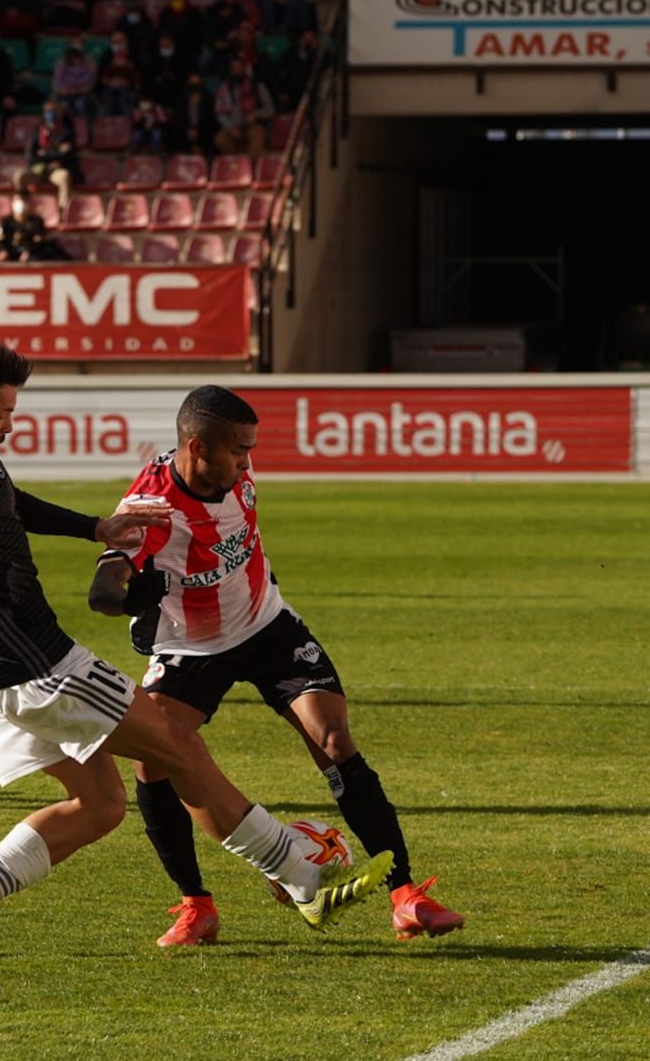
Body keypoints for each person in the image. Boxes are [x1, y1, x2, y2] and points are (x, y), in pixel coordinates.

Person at [0, 341, 392, 961]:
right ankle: (305, 877)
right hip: (40, 668)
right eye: (2, 413)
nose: (10, 424)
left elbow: (6, 501)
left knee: (100, 806)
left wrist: (94, 527)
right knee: (179, 747)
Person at [88, 385, 467, 945]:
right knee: (154, 764)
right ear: (197, 447)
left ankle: (405, 895)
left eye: (250, 449)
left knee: (335, 741)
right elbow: (101, 590)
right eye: (238, 449)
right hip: (190, 650)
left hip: (268, 628)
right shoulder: (148, 509)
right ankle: (197, 907)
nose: (248, 462)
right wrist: (134, 595)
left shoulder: (233, 475)